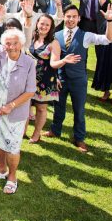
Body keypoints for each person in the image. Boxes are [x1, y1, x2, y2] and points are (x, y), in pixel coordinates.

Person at [0, 20, 37, 194]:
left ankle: (12, 176)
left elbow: (30, 91)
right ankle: (1, 169)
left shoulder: (29, 63)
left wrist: (11, 105)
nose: (11, 47)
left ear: (22, 44)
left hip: (14, 111)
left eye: (15, 43)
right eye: (8, 43)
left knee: (12, 146)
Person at [45, 5, 112, 152]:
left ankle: (79, 138)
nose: (70, 19)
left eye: (73, 17)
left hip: (78, 80)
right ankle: (55, 130)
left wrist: (109, 21)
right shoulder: (56, 36)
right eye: (68, 16)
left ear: (79, 18)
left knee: (79, 110)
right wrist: (55, 77)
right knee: (58, 108)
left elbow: (108, 39)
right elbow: (51, 60)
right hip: (60, 79)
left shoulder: (86, 35)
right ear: (64, 17)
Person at [27, 14, 78, 142]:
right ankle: (21, 131)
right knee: (25, 106)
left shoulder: (53, 43)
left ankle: (36, 134)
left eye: (47, 25)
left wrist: (64, 61)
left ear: (51, 27)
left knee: (41, 108)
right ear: (37, 23)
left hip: (44, 81)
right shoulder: (31, 37)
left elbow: (53, 64)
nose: (43, 27)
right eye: (42, 23)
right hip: (27, 79)